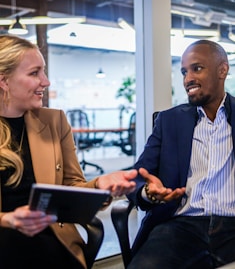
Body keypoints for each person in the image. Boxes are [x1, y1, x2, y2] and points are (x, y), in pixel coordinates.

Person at [0, 34, 137, 269]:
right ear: (4, 81)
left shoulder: (54, 121)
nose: (46, 81)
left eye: (43, 71)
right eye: (35, 73)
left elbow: (71, 187)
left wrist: (100, 185)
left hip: (49, 237)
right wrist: (8, 220)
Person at [126, 39, 235, 268]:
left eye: (197, 68)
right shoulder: (169, 121)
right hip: (182, 226)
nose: (188, 79)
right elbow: (137, 176)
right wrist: (149, 192)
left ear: (222, 70)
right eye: (184, 72)